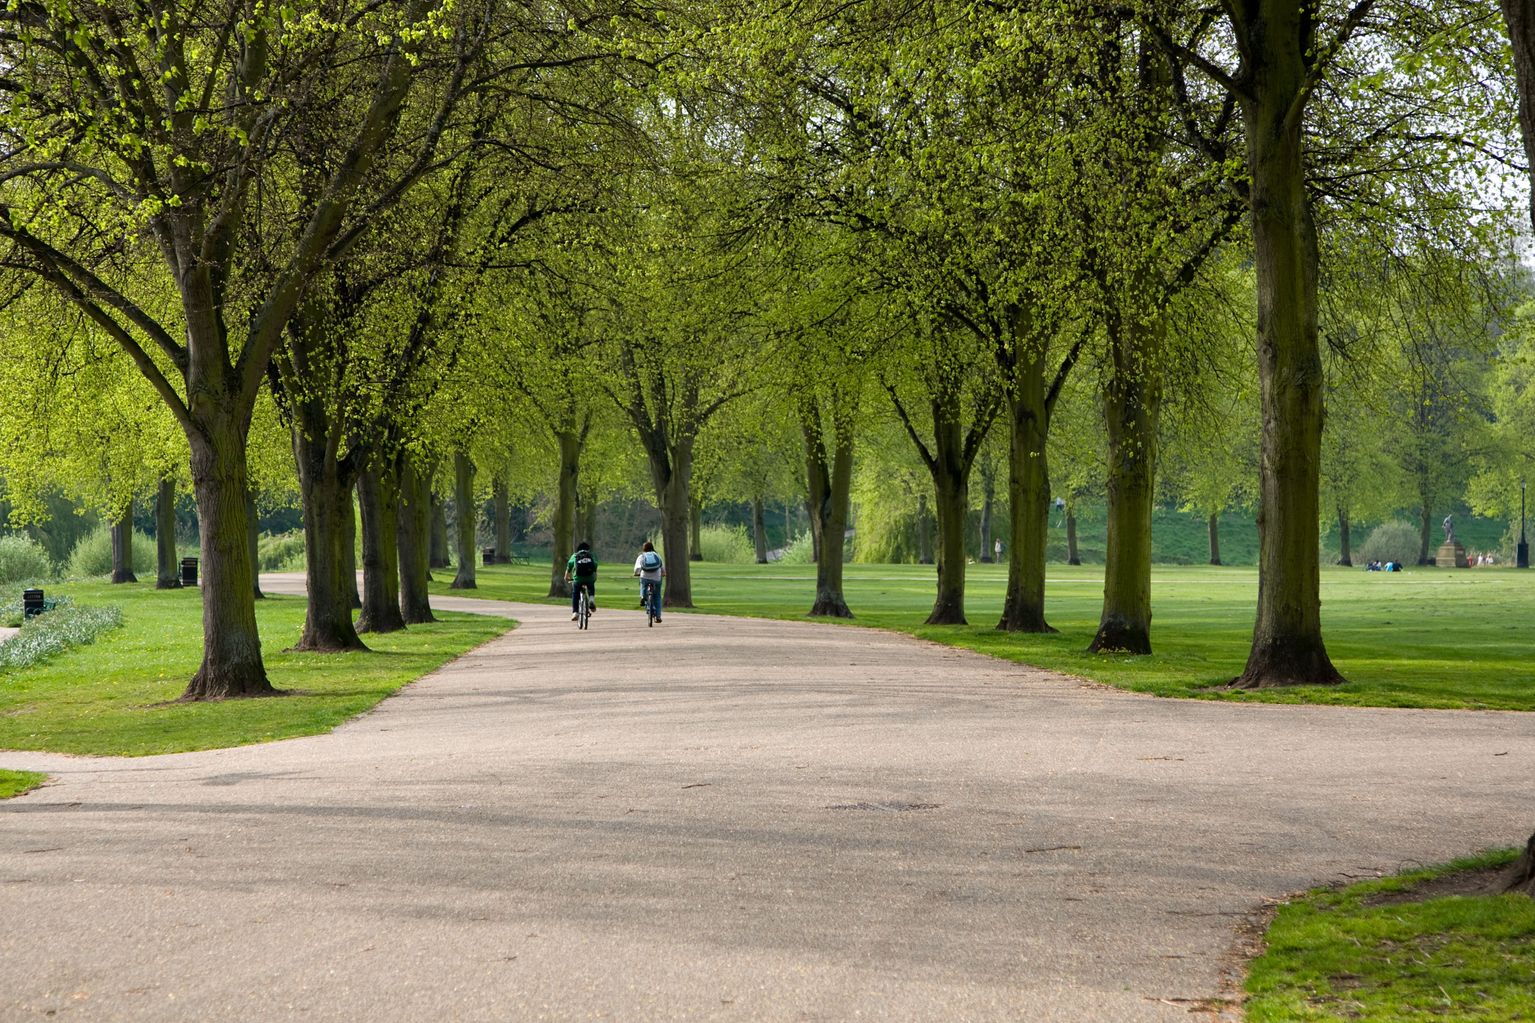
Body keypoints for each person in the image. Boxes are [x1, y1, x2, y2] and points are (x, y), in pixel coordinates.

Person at [633, 541, 665, 623]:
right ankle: (658, 616)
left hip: (645, 576)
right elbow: (662, 567)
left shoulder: (641, 556)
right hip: (656, 577)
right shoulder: (657, 555)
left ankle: (643, 597)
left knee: (643, 584)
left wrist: (636, 573)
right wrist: (663, 573)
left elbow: (637, 568)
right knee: (657, 596)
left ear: (644, 549)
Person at [564, 540, 598, 620]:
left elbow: (569, 567)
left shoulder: (575, 555)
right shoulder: (591, 555)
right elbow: (595, 566)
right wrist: (594, 577)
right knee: (591, 585)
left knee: (575, 594)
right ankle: (591, 599)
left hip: (578, 579)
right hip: (589, 578)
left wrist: (566, 577)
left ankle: (575, 612)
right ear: (588, 549)